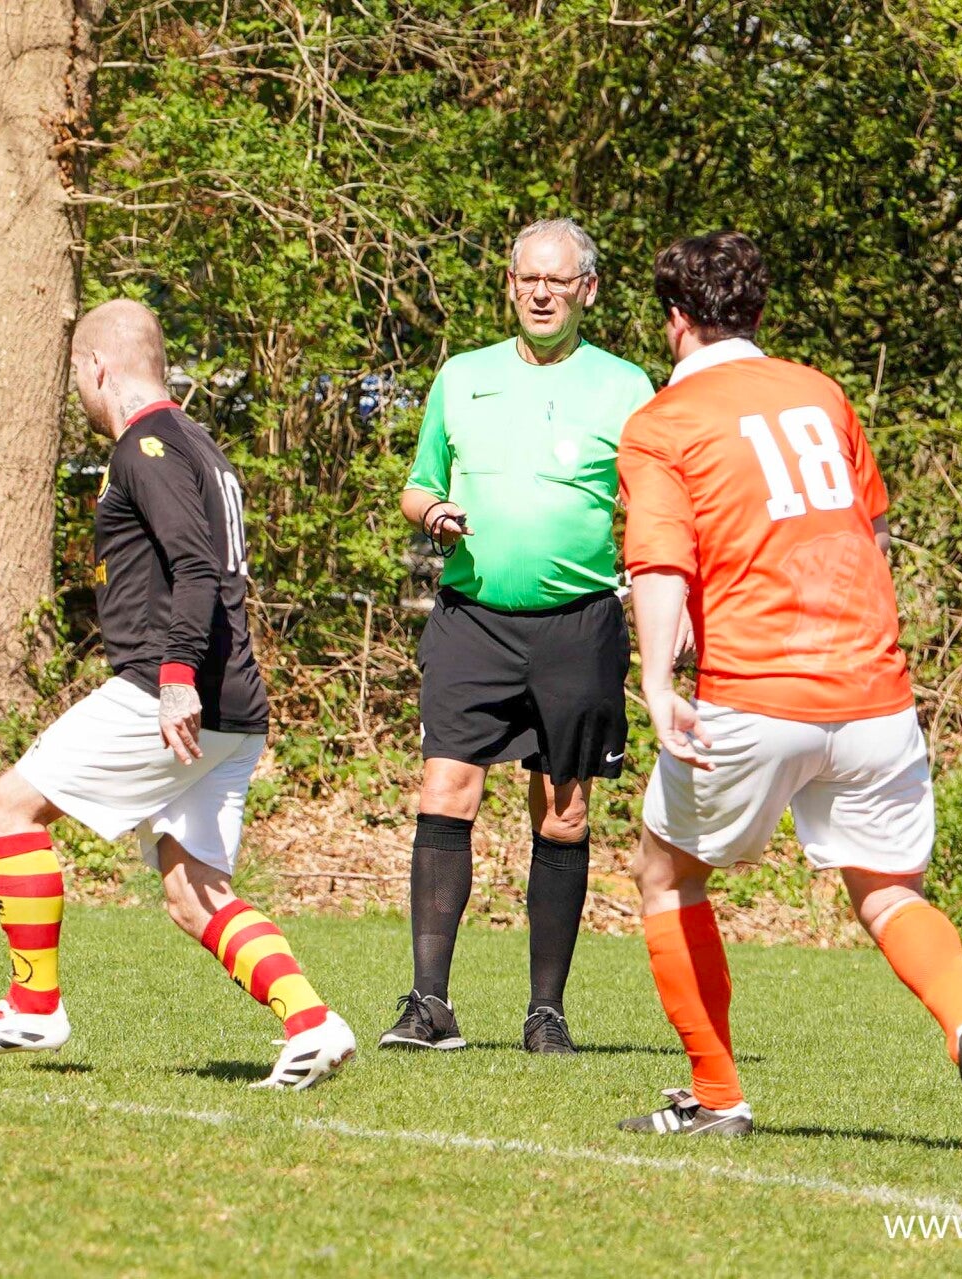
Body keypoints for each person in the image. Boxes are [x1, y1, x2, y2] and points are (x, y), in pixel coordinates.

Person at [614, 231, 962, 1154]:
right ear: (756, 312)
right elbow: (868, 534)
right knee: (887, 893)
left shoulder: (661, 421)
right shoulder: (820, 392)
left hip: (757, 686)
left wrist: (654, 679)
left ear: (676, 320)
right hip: (874, 689)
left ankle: (716, 1095)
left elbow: (658, 561)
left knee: (666, 871)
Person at [0, 298, 355, 1089]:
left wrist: (176, 677)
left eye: (75, 379)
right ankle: (312, 1022)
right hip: (234, 704)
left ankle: (32, 1006)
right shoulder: (199, 445)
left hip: (169, 690)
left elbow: (195, 567)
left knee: (8, 806)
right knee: (193, 893)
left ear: (96, 367)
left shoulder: (144, 446)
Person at [381, 218, 656, 1055]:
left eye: (556, 281)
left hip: (578, 626)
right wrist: (432, 510)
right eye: (526, 279)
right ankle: (428, 1004)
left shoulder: (626, 386)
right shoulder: (462, 376)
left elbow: (653, 504)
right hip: (472, 620)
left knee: (563, 814)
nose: (540, 293)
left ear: (586, 291)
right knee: (444, 790)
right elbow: (416, 484)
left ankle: (546, 1013)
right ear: (508, 284)